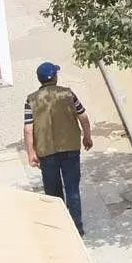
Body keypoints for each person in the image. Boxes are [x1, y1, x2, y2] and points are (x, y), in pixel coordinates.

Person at [24, 61, 93, 234]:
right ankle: (77, 228)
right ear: (54, 77)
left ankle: (60, 230)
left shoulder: (31, 100)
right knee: (72, 189)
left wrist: (31, 153)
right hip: (70, 147)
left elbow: (28, 129)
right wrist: (87, 136)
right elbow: (83, 117)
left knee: (53, 193)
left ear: (39, 80)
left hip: (46, 152)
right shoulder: (67, 94)